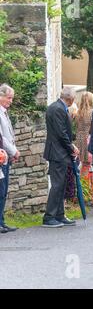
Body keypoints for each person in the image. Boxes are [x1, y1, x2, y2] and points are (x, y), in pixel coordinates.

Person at [42, 87, 80, 227]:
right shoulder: (57, 108)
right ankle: (49, 217)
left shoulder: (58, 107)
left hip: (60, 153)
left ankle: (59, 215)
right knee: (57, 185)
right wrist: (71, 147)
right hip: (58, 153)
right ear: (71, 99)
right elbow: (61, 133)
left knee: (61, 185)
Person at [0, 84, 18, 233]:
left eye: (11, 98)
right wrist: (14, 151)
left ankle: (2, 221)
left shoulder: (4, 112)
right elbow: (2, 139)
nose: (11, 101)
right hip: (2, 156)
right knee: (1, 190)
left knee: (4, 190)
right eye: (8, 97)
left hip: (5, 157)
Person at [74, 92, 93, 194]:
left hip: (80, 139)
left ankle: (83, 188)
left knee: (83, 164)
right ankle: (90, 190)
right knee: (91, 165)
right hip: (89, 139)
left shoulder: (77, 113)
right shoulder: (92, 112)